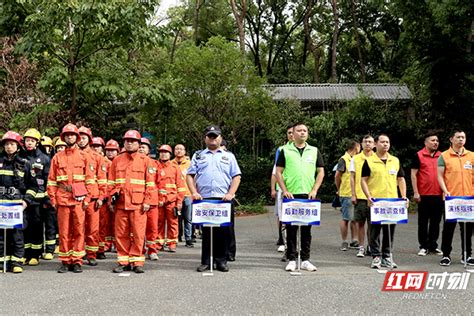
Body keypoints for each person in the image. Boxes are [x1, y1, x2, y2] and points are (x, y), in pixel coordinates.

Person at [187, 125, 241, 272]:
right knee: (206, 232)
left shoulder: (229, 156)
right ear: (205, 138)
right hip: (204, 199)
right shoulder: (198, 155)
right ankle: (206, 261)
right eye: (210, 136)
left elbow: (236, 176)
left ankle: (221, 261)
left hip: (223, 199)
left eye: (215, 136)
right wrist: (193, 192)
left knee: (223, 232)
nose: (212, 139)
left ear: (220, 138)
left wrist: (231, 193)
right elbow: (190, 175)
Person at [275, 123, 325, 272]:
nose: (302, 133)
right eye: (299, 130)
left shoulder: (314, 151)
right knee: (290, 229)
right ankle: (291, 258)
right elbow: (278, 172)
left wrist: (315, 189)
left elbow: (321, 172)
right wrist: (284, 190)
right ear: (293, 134)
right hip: (291, 195)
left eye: (305, 131)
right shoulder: (285, 150)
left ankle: (305, 259)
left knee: (306, 230)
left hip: (308, 195)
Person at [47, 123, 94, 273]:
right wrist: (53, 199)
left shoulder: (84, 157)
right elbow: (52, 181)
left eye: (72, 135)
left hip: (79, 200)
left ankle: (77, 260)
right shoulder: (57, 157)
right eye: (67, 135)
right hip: (62, 198)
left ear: (77, 137)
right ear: (63, 138)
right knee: (64, 231)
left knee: (79, 230)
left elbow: (90, 180)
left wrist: (87, 199)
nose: (70, 137)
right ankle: (65, 261)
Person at [108, 130, 157, 273]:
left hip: (139, 204)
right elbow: (111, 182)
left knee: (138, 233)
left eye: (133, 141)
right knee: (121, 233)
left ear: (138, 143)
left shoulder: (146, 160)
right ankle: (123, 261)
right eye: (127, 141)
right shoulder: (117, 160)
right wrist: (111, 198)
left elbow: (151, 184)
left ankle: (137, 261)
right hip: (121, 203)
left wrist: (148, 201)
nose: (129, 143)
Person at [361, 134, 407, 269]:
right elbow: (363, 180)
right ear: (376, 144)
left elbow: (401, 179)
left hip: (392, 202)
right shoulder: (369, 161)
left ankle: (387, 256)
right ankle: (375, 256)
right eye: (382, 142)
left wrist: (403, 195)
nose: (385, 144)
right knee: (374, 230)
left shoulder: (395, 160)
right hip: (376, 202)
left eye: (387, 142)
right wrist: (368, 195)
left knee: (389, 230)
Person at [0, 131, 37, 273]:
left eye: (12, 144)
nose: (9, 147)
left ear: (18, 146)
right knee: (1, 236)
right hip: (1, 206)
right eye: (7, 144)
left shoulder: (24, 164)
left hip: (16, 207)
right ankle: (2, 261)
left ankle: (16, 262)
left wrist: (26, 202)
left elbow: (34, 186)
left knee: (17, 236)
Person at [438, 129, 473, 266]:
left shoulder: (471, 156)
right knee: (448, 228)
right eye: (458, 137)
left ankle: (467, 255)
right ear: (451, 139)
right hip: (451, 199)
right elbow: (440, 176)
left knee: (467, 229)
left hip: (469, 199)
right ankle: (446, 255)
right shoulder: (444, 156)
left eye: (463, 137)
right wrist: (445, 190)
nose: (461, 139)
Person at [77, 127, 107, 266]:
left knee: (93, 228)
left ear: (89, 139)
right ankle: (78, 253)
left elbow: (102, 180)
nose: (81, 140)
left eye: (84, 138)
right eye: (79, 137)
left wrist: (101, 197)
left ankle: (91, 254)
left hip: (93, 199)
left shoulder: (97, 158)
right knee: (76, 228)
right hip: (75, 198)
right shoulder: (71, 155)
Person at [21, 128, 52, 265]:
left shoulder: (44, 158)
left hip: (38, 201)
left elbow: (47, 180)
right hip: (22, 199)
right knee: (24, 228)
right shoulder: (20, 157)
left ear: (37, 142)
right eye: (27, 140)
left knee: (37, 228)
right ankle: (25, 254)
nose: (29, 143)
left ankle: (35, 254)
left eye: (32, 141)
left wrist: (47, 198)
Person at [411, 131, 444, 256]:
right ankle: (423, 246)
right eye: (433, 140)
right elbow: (413, 174)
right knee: (423, 222)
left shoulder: (442, 156)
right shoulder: (418, 155)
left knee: (436, 222)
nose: (435, 142)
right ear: (426, 142)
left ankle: (433, 246)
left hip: (439, 194)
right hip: (423, 194)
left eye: (437, 140)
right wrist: (416, 192)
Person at [156, 144, 185, 253]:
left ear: (170, 154)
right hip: (159, 201)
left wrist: (179, 202)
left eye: (166, 152)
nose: (163, 154)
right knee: (158, 223)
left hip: (171, 200)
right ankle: (159, 243)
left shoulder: (175, 168)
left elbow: (181, 187)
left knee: (173, 223)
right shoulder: (155, 166)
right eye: (161, 152)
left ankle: (172, 243)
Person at [350, 135, 375, 258]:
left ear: (374, 144)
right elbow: (352, 177)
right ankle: (361, 247)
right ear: (361, 144)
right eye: (365, 142)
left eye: (370, 142)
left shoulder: (377, 158)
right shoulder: (355, 158)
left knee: (373, 224)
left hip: (374, 196)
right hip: (360, 196)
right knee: (360, 223)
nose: (367, 144)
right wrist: (353, 194)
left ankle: (371, 246)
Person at [270, 125, 294, 254]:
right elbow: (276, 171)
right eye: (289, 133)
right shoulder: (282, 150)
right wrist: (273, 188)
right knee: (282, 216)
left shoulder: (308, 150)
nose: (291, 135)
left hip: (298, 190)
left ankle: (295, 245)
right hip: (282, 189)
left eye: (292, 132)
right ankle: (283, 241)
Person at [335, 139, 360, 251]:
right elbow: (337, 175)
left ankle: (354, 240)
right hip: (346, 192)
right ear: (356, 147)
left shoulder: (356, 159)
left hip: (357, 192)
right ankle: (344, 241)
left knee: (354, 218)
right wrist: (339, 188)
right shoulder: (344, 159)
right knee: (346, 218)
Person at [139, 138, 160, 260]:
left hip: (152, 201)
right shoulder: (131, 162)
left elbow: (157, 183)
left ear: (148, 150)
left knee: (152, 227)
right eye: (140, 146)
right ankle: (139, 249)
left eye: (144, 147)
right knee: (137, 229)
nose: (141, 149)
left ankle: (152, 250)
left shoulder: (154, 163)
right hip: (136, 201)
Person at [171, 144, 194, 248]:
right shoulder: (171, 164)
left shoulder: (190, 164)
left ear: (185, 151)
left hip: (188, 195)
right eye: (177, 149)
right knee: (175, 217)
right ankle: (176, 237)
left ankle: (188, 239)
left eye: (181, 149)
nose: (179, 151)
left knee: (188, 218)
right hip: (174, 196)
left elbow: (195, 179)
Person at [104, 139, 120, 252]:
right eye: (108, 150)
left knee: (117, 223)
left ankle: (116, 243)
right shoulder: (102, 162)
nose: (110, 153)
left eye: (113, 150)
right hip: (105, 195)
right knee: (106, 223)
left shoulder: (120, 162)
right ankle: (107, 243)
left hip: (117, 196)